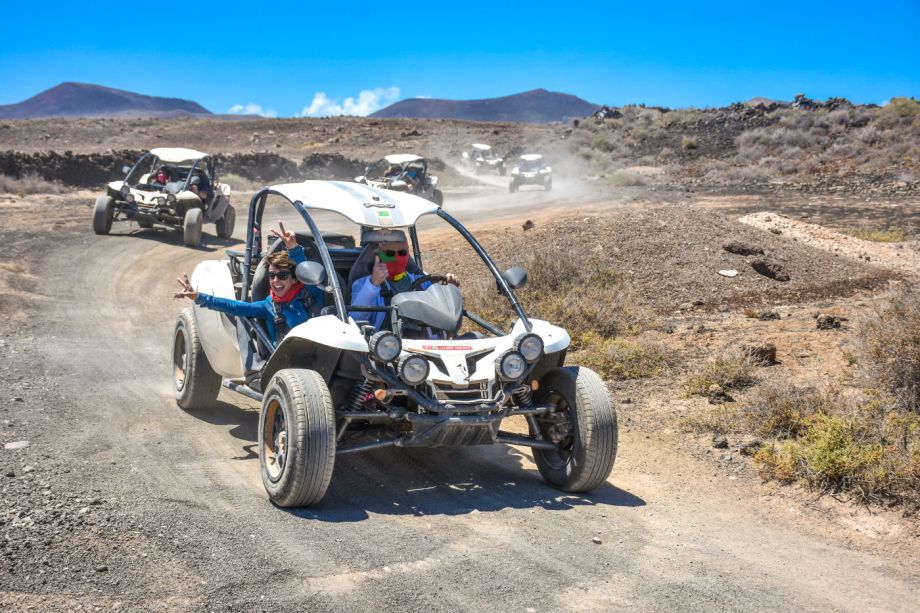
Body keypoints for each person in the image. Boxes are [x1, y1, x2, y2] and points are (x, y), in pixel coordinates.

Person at [175, 222, 323, 344]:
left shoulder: (310, 292)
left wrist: (293, 248)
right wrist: (199, 297)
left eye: (282, 276)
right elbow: (234, 306)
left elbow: (305, 271)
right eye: (272, 276)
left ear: (294, 279)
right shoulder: (268, 306)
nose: (275, 281)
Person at [349, 236, 458, 331]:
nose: (397, 258)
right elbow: (354, 321)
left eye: (402, 253)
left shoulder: (424, 282)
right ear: (380, 255)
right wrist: (373, 284)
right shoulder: (364, 284)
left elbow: (445, 319)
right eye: (390, 253)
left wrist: (449, 290)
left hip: (427, 343)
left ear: (408, 252)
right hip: (388, 345)